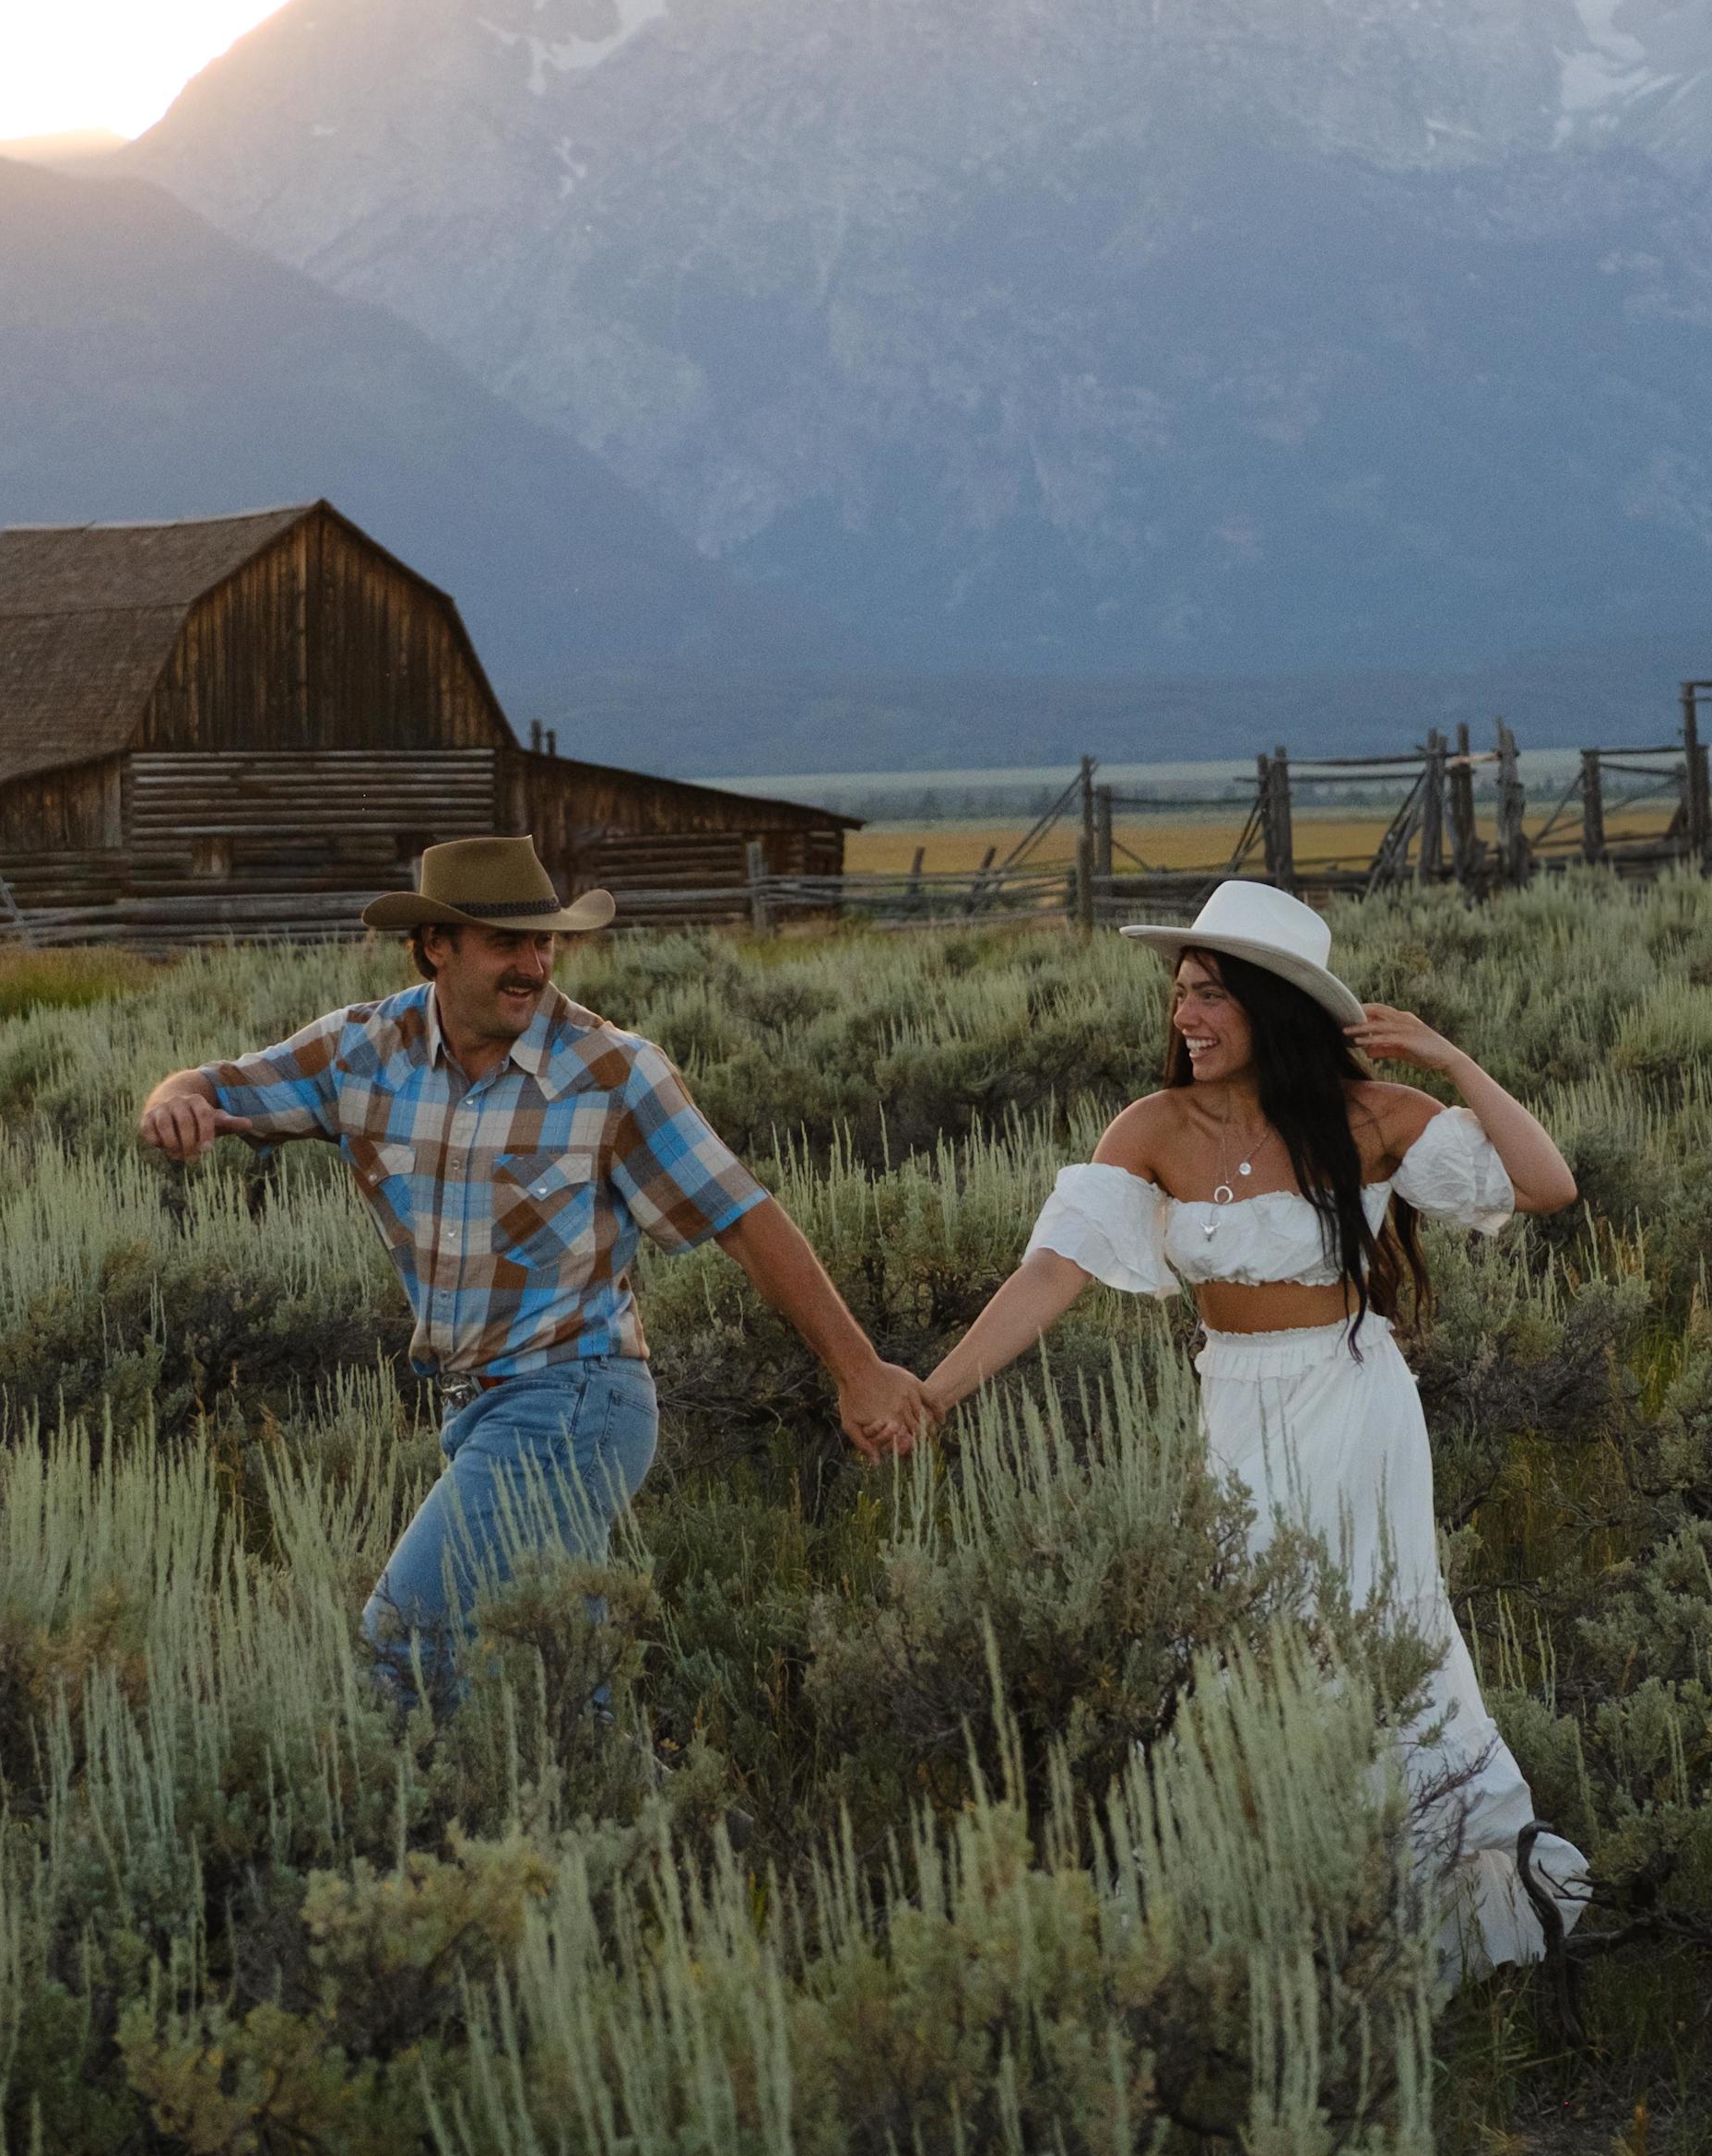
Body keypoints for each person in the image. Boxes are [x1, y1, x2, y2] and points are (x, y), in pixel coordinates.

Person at [917, 878, 1590, 1974]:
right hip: (1234, 1396)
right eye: (1182, 993)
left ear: (1273, 1008)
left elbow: (1547, 1184)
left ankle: (1424, 1903)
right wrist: (936, 1393)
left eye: (1214, 995)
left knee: (1380, 1629)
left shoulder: (1366, 1116)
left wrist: (1454, 1065)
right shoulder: (1153, 1127)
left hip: (1352, 1395)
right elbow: (1052, 1270)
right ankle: (1259, 1902)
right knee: (1239, 1632)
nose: (1188, 1016)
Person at [139, 834, 927, 1682]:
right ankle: (619, 1812)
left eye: (544, 941)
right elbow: (209, 1087)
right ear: (436, 945)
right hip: (472, 1409)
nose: (533, 965)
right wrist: (172, 1105)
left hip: (576, 1399)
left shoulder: (610, 1071)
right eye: (505, 942)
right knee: (556, 1682)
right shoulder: (362, 1050)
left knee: (402, 1649)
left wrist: (858, 1368)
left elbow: (743, 1215)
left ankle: (398, 1812)